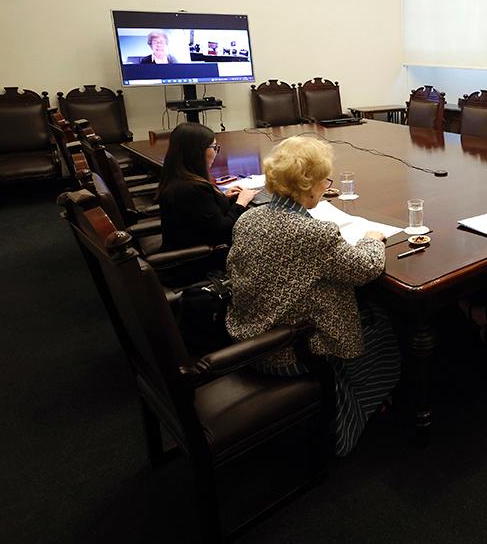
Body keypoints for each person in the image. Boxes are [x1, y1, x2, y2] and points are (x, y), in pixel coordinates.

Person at [226, 136, 400, 457]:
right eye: (325, 180)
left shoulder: (249, 217)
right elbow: (365, 268)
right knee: (385, 327)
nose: (326, 186)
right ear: (308, 186)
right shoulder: (313, 233)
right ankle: (351, 416)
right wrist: (373, 239)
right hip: (286, 353)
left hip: (247, 337)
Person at [156, 123, 257, 251]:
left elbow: (200, 213)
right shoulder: (193, 189)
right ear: (196, 151)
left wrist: (222, 198)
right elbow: (223, 231)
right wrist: (241, 203)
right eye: (214, 147)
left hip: (185, 245)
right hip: (202, 257)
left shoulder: (176, 176)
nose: (216, 152)